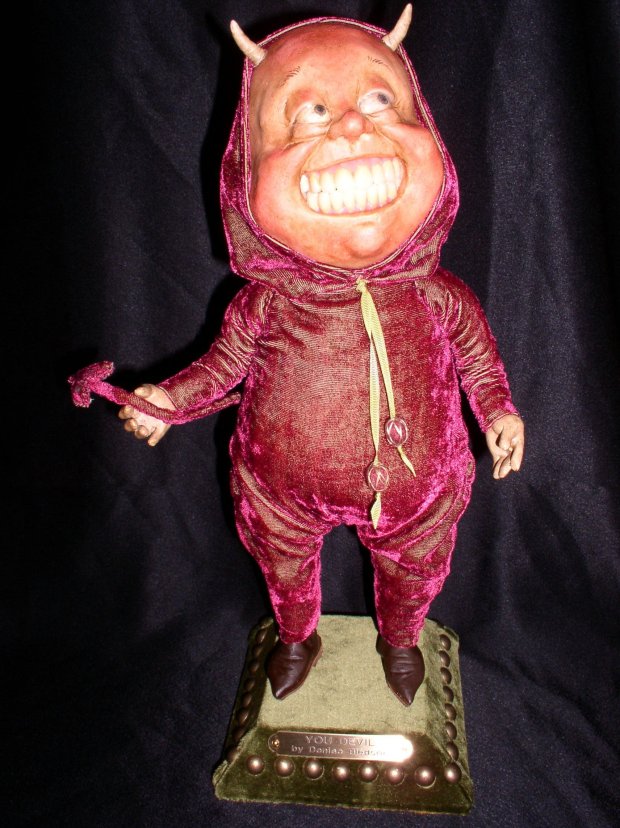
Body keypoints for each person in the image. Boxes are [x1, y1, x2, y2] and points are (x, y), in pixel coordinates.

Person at [117, 6, 525, 706]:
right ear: (247, 167)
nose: (353, 126)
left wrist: (499, 412)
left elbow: (478, 362)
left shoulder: (438, 296)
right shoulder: (267, 305)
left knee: (415, 567)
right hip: (281, 489)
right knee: (282, 563)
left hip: (416, 486)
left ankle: (401, 641)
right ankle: (296, 637)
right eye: (308, 112)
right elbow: (221, 366)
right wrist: (165, 402)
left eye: (380, 99)